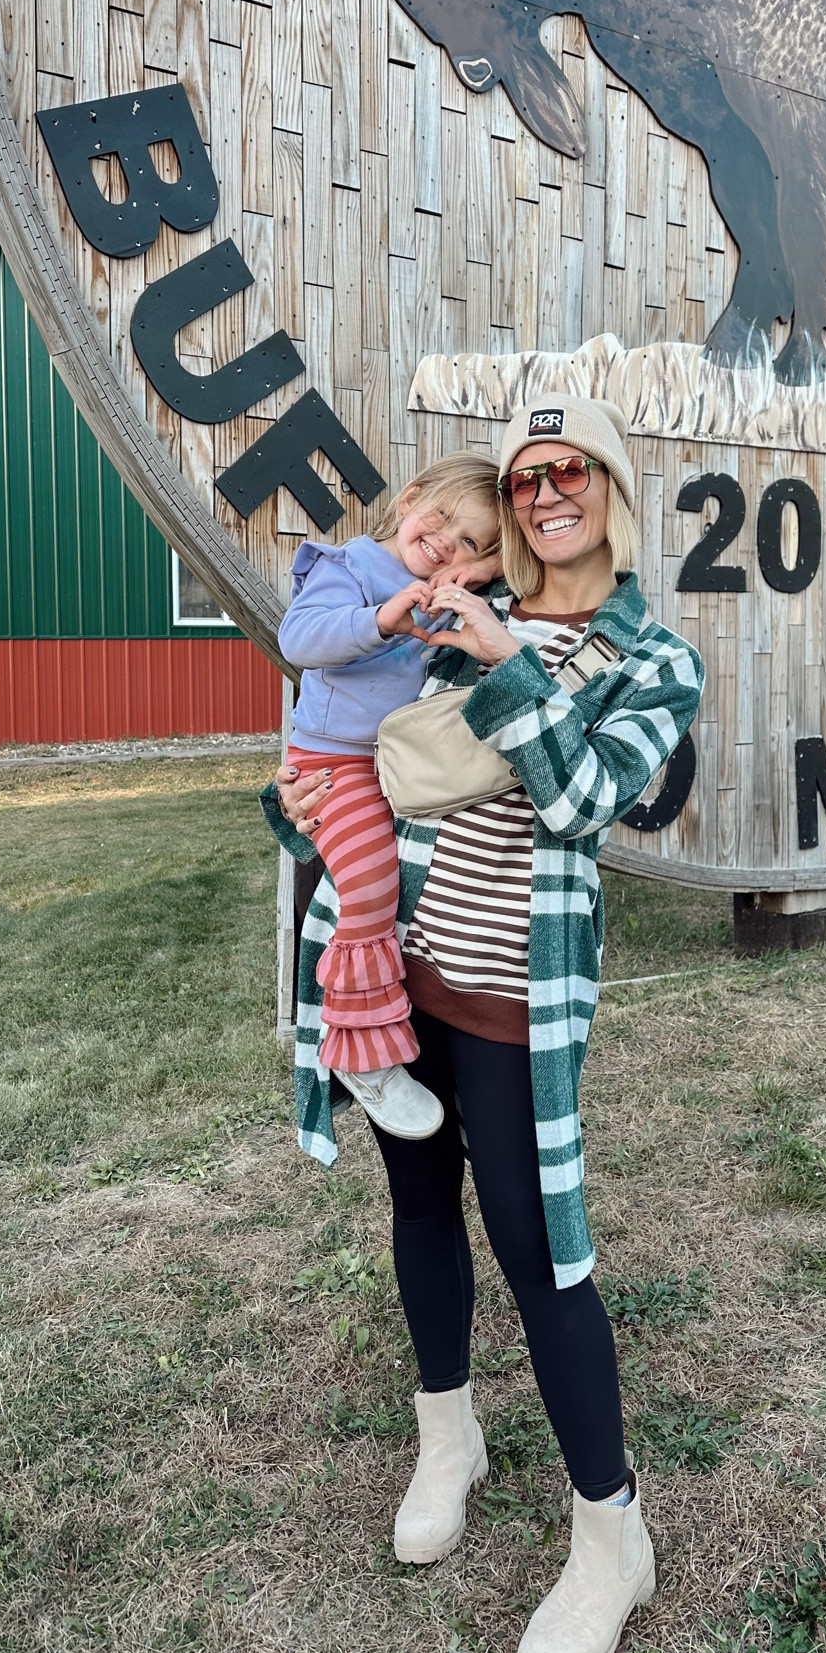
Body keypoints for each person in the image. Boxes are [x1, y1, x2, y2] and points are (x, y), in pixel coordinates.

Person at [264, 398, 704, 1653]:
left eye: (569, 469)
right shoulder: (448, 611)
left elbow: (575, 801)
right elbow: (372, 765)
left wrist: (509, 652)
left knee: (536, 1243)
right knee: (419, 1204)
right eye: (523, 477)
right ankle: (448, 1438)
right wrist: (296, 806)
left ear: (610, 491)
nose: (544, 491)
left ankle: (610, 1533)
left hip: (513, 990)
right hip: (404, 970)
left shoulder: (652, 659)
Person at [277, 452, 502, 1141]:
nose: (445, 545)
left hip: (396, 770)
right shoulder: (350, 567)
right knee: (370, 887)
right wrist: (377, 619)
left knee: (407, 898)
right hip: (331, 762)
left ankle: (413, 1046)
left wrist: (478, 579)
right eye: (440, 521)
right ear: (408, 501)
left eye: (471, 544)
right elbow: (300, 637)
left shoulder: (455, 594)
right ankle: (358, 1053)